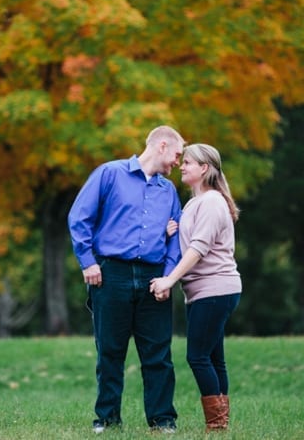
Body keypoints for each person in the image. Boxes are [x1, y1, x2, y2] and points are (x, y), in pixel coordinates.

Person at [68, 125, 185, 434]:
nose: (177, 162)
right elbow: (79, 217)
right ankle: (106, 419)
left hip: (153, 277)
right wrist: (88, 261)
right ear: (161, 146)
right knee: (110, 350)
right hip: (111, 274)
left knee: (158, 353)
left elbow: (176, 241)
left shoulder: (168, 191)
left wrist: (168, 278)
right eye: (176, 155)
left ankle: (162, 420)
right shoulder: (110, 174)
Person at [149, 144, 241, 431]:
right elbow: (188, 243)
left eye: (188, 162)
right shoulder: (193, 204)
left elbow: (198, 249)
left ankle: (216, 425)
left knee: (197, 356)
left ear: (204, 168)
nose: (181, 165)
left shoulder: (212, 201)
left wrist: (169, 279)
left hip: (215, 289)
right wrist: (168, 233)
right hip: (206, 292)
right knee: (214, 357)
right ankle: (220, 423)